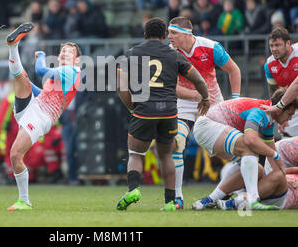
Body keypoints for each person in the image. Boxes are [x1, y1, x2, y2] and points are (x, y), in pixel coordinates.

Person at [116, 17, 210, 211]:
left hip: (144, 111)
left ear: (145, 35)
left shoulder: (132, 54)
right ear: (163, 35)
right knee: (166, 155)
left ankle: (134, 189)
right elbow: (199, 79)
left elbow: (121, 86)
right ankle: (169, 202)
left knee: (135, 153)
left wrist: (132, 107)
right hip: (169, 112)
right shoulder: (173, 54)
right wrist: (205, 98)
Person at [5, 22, 81, 211]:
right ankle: (13, 45)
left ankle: (24, 201)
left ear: (77, 60)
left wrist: (41, 56)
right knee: (20, 76)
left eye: (69, 52)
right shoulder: (61, 75)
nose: (64, 54)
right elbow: (42, 93)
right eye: (62, 51)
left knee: (15, 155)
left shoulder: (72, 71)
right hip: (34, 105)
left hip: (41, 117)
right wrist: (26, 82)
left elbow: (40, 70)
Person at [167, 16, 241, 207]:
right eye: (168, 32)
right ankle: (177, 197)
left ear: (186, 34)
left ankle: (237, 191)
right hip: (185, 104)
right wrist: (196, 96)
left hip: (214, 103)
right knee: (177, 142)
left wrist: (235, 100)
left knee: (234, 148)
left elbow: (233, 70)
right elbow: (172, 86)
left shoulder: (210, 47)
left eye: (173, 32)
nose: (169, 36)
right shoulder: (169, 52)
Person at [191, 89, 298, 210]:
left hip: (212, 129)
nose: (290, 119)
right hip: (207, 126)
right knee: (249, 148)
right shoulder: (261, 111)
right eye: (289, 114)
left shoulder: (269, 121)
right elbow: (250, 140)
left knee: (258, 170)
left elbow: (273, 159)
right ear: (279, 109)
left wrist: (284, 178)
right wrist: (275, 155)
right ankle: (252, 200)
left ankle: (208, 201)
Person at [216, 137, 298, 210]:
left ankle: (236, 201)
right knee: (258, 168)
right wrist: (285, 177)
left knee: (278, 175)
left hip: (282, 197)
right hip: (277, 183)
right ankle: (215, 197)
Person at [264, 28, 298, 136]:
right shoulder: (269, 65)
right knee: (287, 142)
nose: (274, 49)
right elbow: (275, 94)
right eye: (271, 46)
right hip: (291, 107)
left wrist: (279, 107)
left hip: (288, 103)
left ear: (288, 43)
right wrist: (280, 117)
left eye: (277, 45)